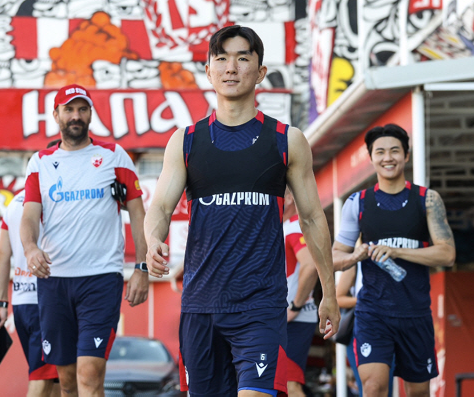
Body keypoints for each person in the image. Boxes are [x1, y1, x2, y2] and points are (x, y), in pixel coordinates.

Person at [144, 25, 340, 397]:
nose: (231, 67)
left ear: (260, 72)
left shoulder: (286, 140)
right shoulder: (185, 141)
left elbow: (313, 219)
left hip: (260, 306)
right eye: (221, 59)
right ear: (209, 71)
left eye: (242, 58)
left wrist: (327, 293)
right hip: (201, 305)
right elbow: (160, 208)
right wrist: (153, 239)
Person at [20, 84, 149, 397]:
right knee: (66, 381)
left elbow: (138, 213)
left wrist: (142, 267)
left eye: (82, 109)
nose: (76, 116)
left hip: (101, 279)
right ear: (56, 115)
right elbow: (28, 217)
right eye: (69, 109)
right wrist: (31, 248)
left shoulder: (113, 155)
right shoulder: (40, 162)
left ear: (90, 113)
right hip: (55, 281)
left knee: (90, 373)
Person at [332, 124, 456, 397]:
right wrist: (355, 256)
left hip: (416, 314)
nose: (388, 157)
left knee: (418, 393)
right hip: (373, 313)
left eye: (395, 151)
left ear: (406, 156)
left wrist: (398, 252)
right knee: (374, 387)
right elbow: (334, 256)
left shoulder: (427, 200)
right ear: (371, 157)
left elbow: (447, 254)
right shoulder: (357, 202)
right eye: (380, 152)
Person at [0, 170, 60, 397]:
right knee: (42, 376)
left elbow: (2, 254)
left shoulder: (13, 203)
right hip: (46, 301)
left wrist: (1, 302)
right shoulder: (55, 197)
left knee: (55, 377)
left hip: (21, 302)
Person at [336, 262, 394, 397]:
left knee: (386, 386)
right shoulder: (356, 262)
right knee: (370, 387)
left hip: (391, 328)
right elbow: (339, 298)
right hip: (362, 330)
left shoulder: (395, 256)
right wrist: (367, 301)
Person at [283, 189, 318, 397]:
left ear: (288, 198)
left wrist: (295, 306)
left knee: (290, 386)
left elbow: (310, 266)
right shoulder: (285, 227)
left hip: (295, 320)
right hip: (284, 320)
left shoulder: (295, 226)